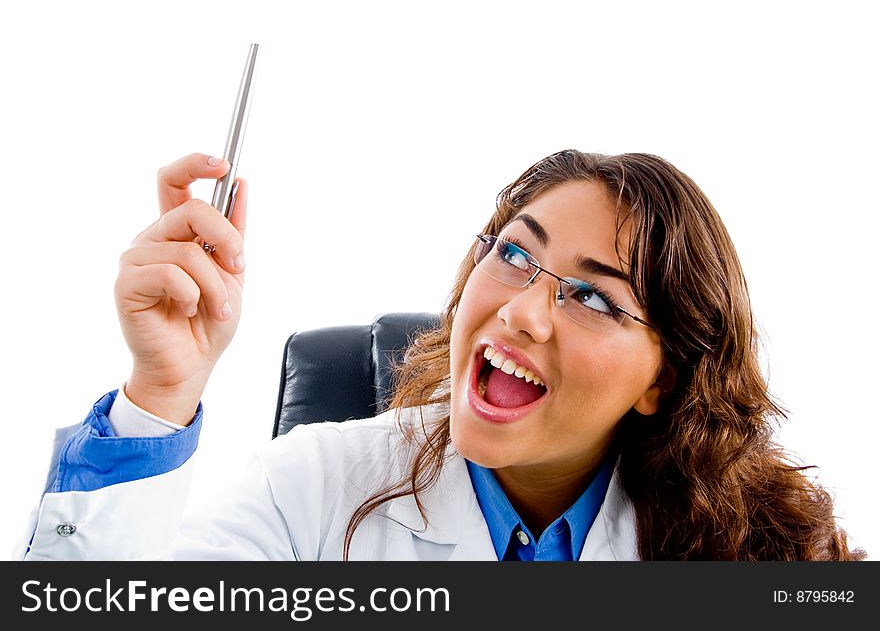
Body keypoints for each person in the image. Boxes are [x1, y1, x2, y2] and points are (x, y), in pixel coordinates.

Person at [19, 150, 865, 561]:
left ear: (664, 380)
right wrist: (163, 389)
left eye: (596, 297)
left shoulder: (759, 547)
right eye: (516, 255)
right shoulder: (312, 492)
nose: (524, 310)